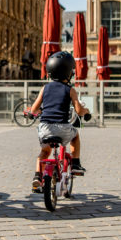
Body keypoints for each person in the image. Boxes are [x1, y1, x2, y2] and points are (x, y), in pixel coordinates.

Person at [27, 51, 90, 193]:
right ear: (69, 72)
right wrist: (86, 112)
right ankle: (75, 163)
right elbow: (79, 110)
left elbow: (35, 109)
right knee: (75, 135)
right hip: (62, 127)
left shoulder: (45, 88)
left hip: (45, 128)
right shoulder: (70, 90)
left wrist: (32, 113)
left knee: (44, 152)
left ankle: (37, 176)